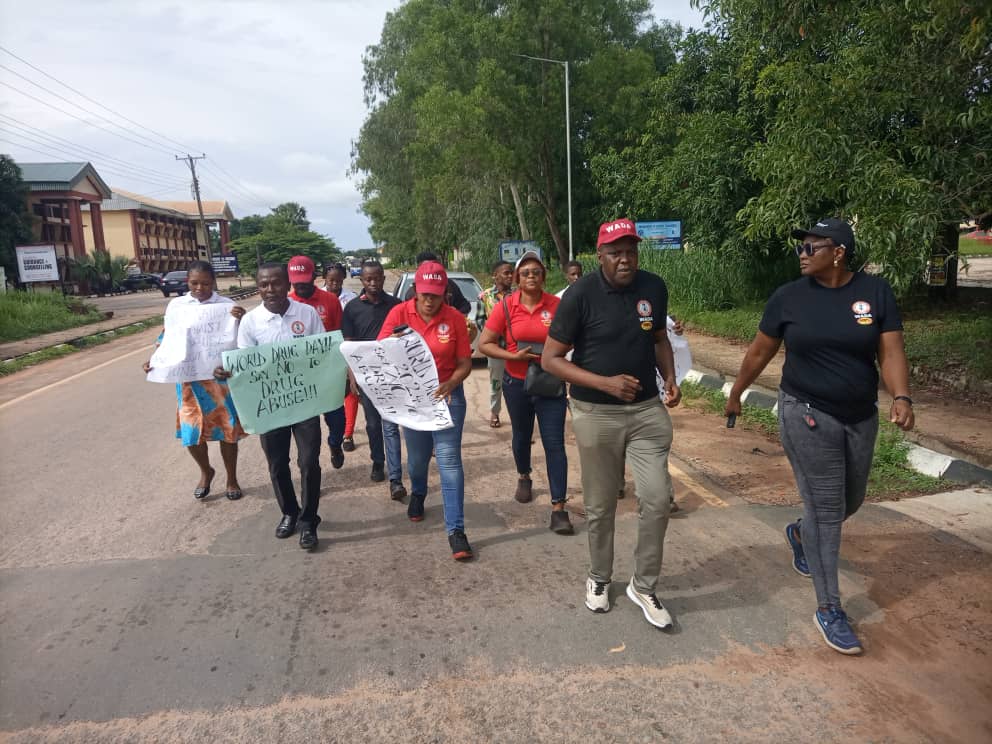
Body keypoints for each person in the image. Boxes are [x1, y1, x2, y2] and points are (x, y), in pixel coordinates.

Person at [724, 217, 915, 656]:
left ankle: (800, 533)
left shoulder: (874, 293)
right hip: (805, 412)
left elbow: (890, 351)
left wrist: (901, 395)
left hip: (860, 417)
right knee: (828, 510)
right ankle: (830, 608)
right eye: (801, 248)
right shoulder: (788, 298)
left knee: (852, 502)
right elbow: (759, 351)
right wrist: (736, 393)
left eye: (812, 247)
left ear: (839, 252)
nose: (803, 255)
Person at [543, 218, 682, 629]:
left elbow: (659, 338)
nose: (625, 259)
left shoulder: (653, 287)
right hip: (596, 413)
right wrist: (604, 383)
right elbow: (551, 359)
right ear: (599, 255)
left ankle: (644, 585)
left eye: (630, 251)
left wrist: (669, 377)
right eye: (616, 252)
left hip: (646, 412)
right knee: (602, 507)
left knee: (657, 500)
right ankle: (600, 577)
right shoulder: (579, 295)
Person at [218, 262, 326, 550]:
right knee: (278, 465)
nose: (270, 289)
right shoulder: (251, 322)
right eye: (264, 284)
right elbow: (245, 363)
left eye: (275, 283)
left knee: (308, 463)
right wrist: (228, 371)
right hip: (271, 406)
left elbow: (323, 353)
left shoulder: (307, 314)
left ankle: (309, 521)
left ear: (287, 283)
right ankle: (289, 513)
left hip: (305, 403)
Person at [379, 260, 474, 561]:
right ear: (415, 291)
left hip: (447, 397)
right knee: (418, 460)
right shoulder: (398, 313)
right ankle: (418, 491)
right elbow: (378, 350)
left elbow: (465, 363)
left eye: (436, 294)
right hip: (413, 400)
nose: (430, 301)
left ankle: (456, 530)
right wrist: (390, 344)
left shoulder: (455, 318)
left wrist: (451, 383)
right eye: (424, 294)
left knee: (448, 460)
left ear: (445, 292)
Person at [479, 251, 573, 535]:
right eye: (525, 272)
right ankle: (524, 476)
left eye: (536, 271)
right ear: (517, 279)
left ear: (544, 276)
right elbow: (485, 343)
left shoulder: (557, 305)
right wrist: (513, 356)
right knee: (521, 436)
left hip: (550, 382)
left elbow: (573, 338)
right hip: (516, 383)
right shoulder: (506, 307)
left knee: (554, 443)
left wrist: (555, 354)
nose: (531, 276)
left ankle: (559, 507)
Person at [143, 260, 246, 502]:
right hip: (188, 381)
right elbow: (167, 338)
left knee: (227, 430)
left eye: (206, 283)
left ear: (214, 283)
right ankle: (206, 471)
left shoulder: (226, 306)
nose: (200, 288)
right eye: (194, 283)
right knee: (191, 433)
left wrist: (241, 318)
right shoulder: (177, 305)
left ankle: (232, 478)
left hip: (218, 382)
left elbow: (240, 340)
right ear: (187, 282)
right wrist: (154, 360)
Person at [341, 259, 407, 500]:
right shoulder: (352, 309)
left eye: (377, 278)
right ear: (361, 280)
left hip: (393, 375)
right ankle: (377, 461)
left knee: (391, 423)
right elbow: (347, 346)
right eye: (368, 279)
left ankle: (394, 475)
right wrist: (352, 377)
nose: (373, 283)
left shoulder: (396, 305)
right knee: (372, 424)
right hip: (366, 376)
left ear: (382, 278)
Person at [287, 255, 347, 470]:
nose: (301, 284)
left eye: (305, 279)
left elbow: (341, 335)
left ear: (314, 276)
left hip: (329, 373)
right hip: (301, 378)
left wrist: (346, 372)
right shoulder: (287, 303)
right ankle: (308, 465)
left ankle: (335, 443)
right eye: (297, 280)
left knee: (337, 420)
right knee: (306, 429)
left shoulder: (330, 300)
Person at [323, 262, 360, 453]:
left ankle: (348, 434)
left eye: (338, 280)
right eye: (331, 280)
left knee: (350, 392)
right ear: (324, 279)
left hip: (346, 350)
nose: (335, 284)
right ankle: (335, 432)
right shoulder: (315, 298)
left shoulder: (352, 299)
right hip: (322, 356)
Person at [478, 259, 514, 428]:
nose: (510, 276)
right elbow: (479, 319)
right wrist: (492, 331)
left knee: (518, 385)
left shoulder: (518, 296)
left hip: (516, 349)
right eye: (506, 273)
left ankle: (518, 417)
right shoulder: (485, 297)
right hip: (495, 348)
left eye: (511, 272)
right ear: (495, 276)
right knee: (496, 382)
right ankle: (495, 412)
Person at [403, 251, 472, 315]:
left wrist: (454, 313)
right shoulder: (410, 293)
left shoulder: (451, 285)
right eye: (424, 294)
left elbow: (465, 306)